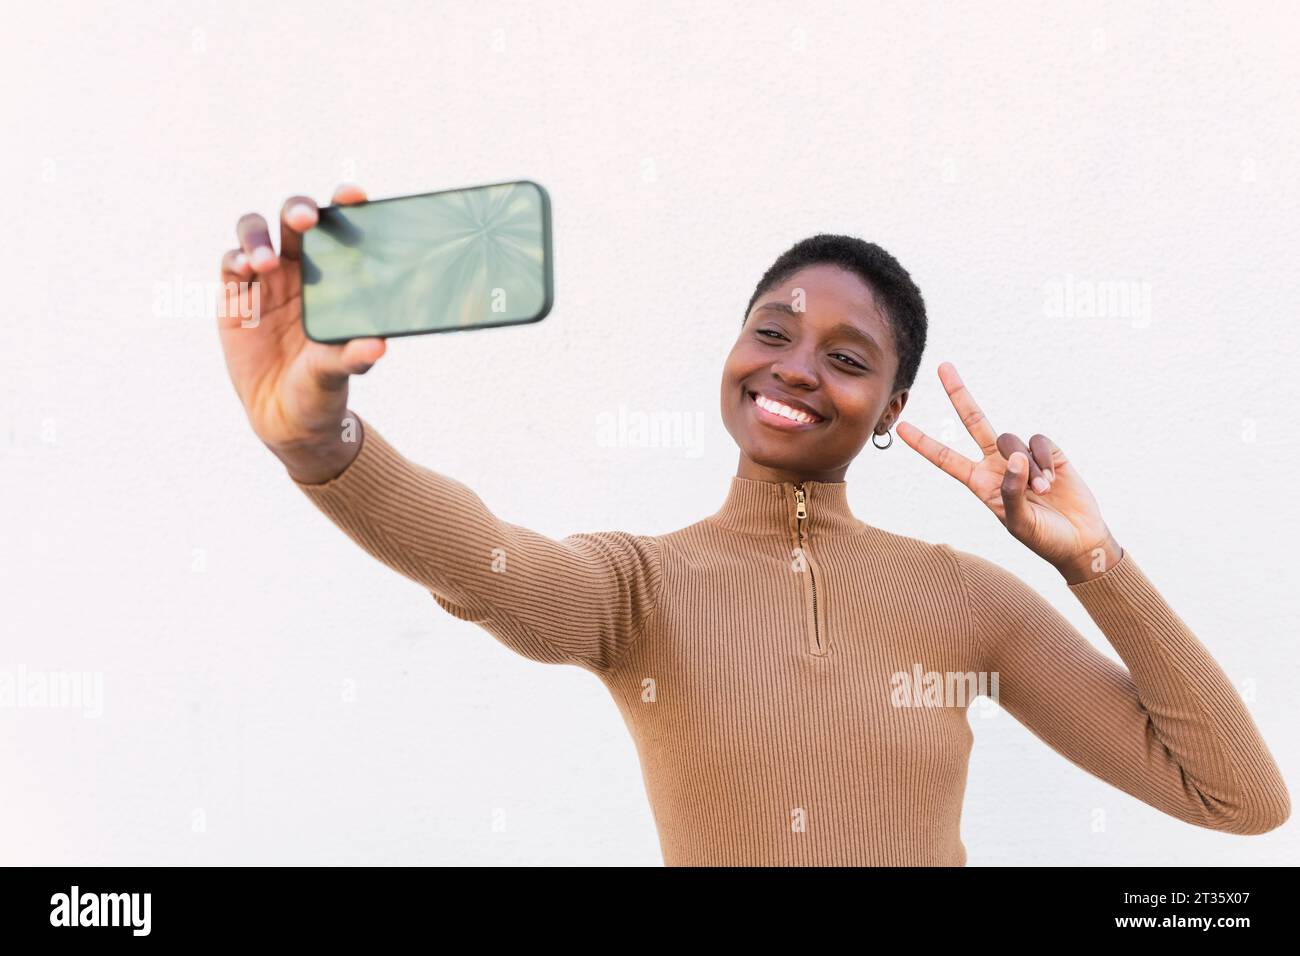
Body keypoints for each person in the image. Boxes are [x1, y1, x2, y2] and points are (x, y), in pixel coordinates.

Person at [217, 184, 1290, 866]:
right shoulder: (638, 588)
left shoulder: (967, 601)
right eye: (772, 332)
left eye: (846, 357)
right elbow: (481, 560)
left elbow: (1238, 798)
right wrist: (320, 441)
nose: (795, 367)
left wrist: (1095, 563)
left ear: (891, 412)